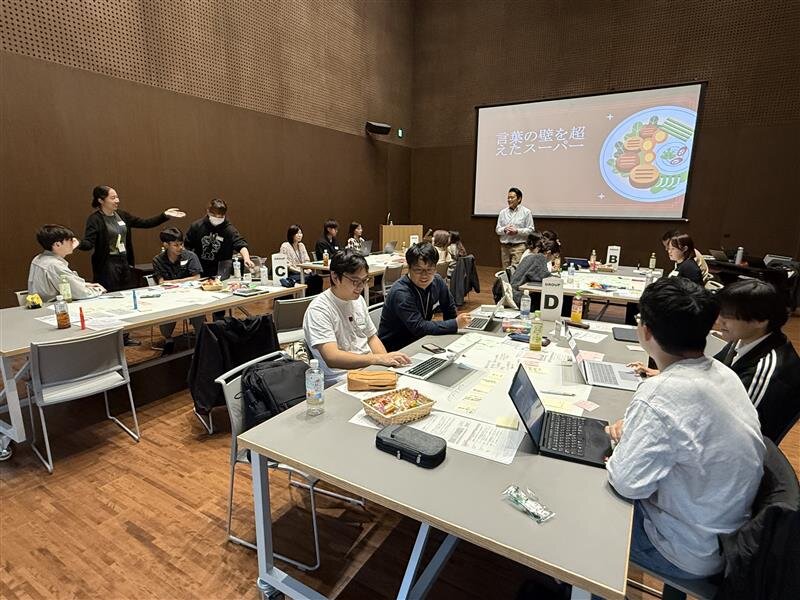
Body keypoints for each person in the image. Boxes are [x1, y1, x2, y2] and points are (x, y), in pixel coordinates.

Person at [604, 278, 764, 586]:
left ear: (645, 331)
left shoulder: (660, 394)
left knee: (585, 507)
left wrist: (623, 446)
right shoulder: (723, 373)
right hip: (723, 534)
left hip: (685, 548)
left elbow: (627, 484)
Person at [302, 249, 411, 386]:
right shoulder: (319, 310)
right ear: (335, 278)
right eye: (355, 281)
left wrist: (387, 364)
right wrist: (377, 359)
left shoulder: (357, 300)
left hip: (369, 369)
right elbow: (332, 357)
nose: (361, 287)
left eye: (364, 280)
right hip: (342, 378)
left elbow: (371, 337)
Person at [713, 280, 800, 442]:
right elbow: (712, 370)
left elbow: (735, 430)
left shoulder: (767, 372)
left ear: (760, 321)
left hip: (738, 447)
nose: (718, 321)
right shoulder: (745, 337)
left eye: (728, 317)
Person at [79, 185, 185, 291]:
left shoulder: (122, 215)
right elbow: (88, 243)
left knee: (128, 291)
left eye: (117, 197)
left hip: (124, 261)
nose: (117, 200)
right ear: (101, 200)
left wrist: (164, 215)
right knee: (112, 293)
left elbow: (145, 223)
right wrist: (77, 243)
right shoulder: (95, 219)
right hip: (107, 264)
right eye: (113, 198)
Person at [378, 243, 472, 352]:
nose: (424, 275)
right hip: (396, 348)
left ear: (435, 268)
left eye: (429, 269)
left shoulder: (437, 281)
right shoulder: (401, 292)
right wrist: (455, 324)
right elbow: (419, 327)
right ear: (409, 268)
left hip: (421, 340)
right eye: (418, 270)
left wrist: (452, 335)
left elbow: (449, 309)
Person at [151, 227, 205, 354]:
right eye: (176, 245)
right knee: (165, 325)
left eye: (181, 244)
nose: (180, 248)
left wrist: (174, 282)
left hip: (192, 297)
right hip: (169, 298)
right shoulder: (158, 260)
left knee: (199, 312)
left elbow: (197, 277)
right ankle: (168, 340)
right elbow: (161, 282)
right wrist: (181, 281)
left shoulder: (190, 256)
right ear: (166, 245)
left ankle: (201, 343)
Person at [28, 224, 105, 302]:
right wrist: (98, 289)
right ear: (57, 244)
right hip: (57, 306)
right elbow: (80, 293)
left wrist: (84, 285)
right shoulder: (54, 264)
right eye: (69, 240)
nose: (73, 242)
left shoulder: (38, 258)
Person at [184, 198, 254, 279]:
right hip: (200, 267)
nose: (217, 218)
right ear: (208, 211)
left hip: (221, 270)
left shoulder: (229, 230)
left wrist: (246, 259)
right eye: (214, 215)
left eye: (221, 216)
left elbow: (241, 245)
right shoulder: (197, 226)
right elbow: (187, 246)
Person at [510, 237, 560, 307]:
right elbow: (544, 276)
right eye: (555, 257)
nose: (554, 260)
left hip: (514, 293)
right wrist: (558, 279)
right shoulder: (540, 258)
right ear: (549, 253)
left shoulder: (532, 256)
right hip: (519, 297)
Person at [495, 187, 534, 269]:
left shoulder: (526, 212)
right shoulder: (503, 212)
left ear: (519, 199)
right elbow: (497, 229)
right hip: (505, 247)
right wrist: (504, 229)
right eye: (508, 198)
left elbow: (531, 230)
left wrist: (517, 231)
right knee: (505, 271)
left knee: (515, 271)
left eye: (512, 197)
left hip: (519, 246)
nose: (509, 200)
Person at [280, 225, 322, 295]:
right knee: (310, 280)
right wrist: (301, 271)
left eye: (301, 233)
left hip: (304, 272)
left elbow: (307, 260)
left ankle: (314, 298)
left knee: (317, 278)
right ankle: (306, 297)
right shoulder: (285, 246)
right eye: (297, 233)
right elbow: (287, 266)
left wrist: (308, 269)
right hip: (292, 273)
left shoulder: (301, 245)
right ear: (291, 235)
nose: (300, 235)